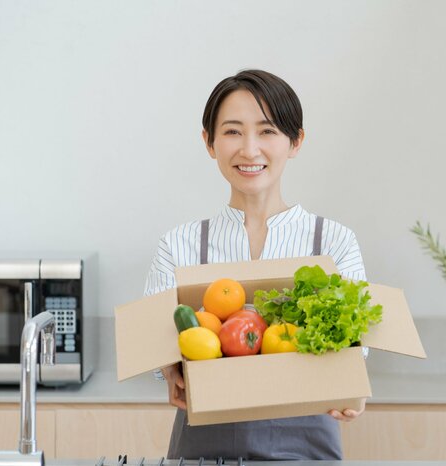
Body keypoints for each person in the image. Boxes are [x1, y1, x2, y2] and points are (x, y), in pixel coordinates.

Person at [143, 69, 367, 460]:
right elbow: (152, 342)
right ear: (209, 143)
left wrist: (351, 385)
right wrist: (168, 368)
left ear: (295, 141)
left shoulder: (333, 242)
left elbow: (356, 348)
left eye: (267, 131)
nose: (249, 150)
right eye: (232, 132)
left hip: (307, 438)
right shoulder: (179, 245)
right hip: (204, 440)